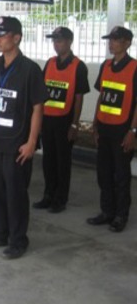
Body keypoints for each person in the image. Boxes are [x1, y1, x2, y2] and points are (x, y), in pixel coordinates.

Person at [0, 16, 49, 259]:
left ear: (16, 38)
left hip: (16, 144)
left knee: (15, 194)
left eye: (2, 35)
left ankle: (18, 240)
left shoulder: (30, 69)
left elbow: (38, 108)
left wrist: (32, 142)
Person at [33, 27, 90, 213]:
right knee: (48, 160)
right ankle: (48, 195)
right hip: (48, 120)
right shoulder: (50, 63)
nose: (56, 44)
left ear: (69, 42)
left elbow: (79, 97)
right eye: (54, 41)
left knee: (62, 162)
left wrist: (74, 124)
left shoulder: (78, 66)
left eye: (59, 41)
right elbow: (42, 92)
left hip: (65, 122)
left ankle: (60, 199)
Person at [87, 26, 137, 233]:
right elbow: (102, 95)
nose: (111, 43)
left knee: (121, 175)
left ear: (127, 43)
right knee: (104, 173)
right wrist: (95, 123)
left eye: (116, 40)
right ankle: (107, 211)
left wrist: (133, 132)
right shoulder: (106, 65)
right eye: (110, 40)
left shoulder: (134, 67)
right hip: (105, 127)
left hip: (122, 130)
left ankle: (120, 215)